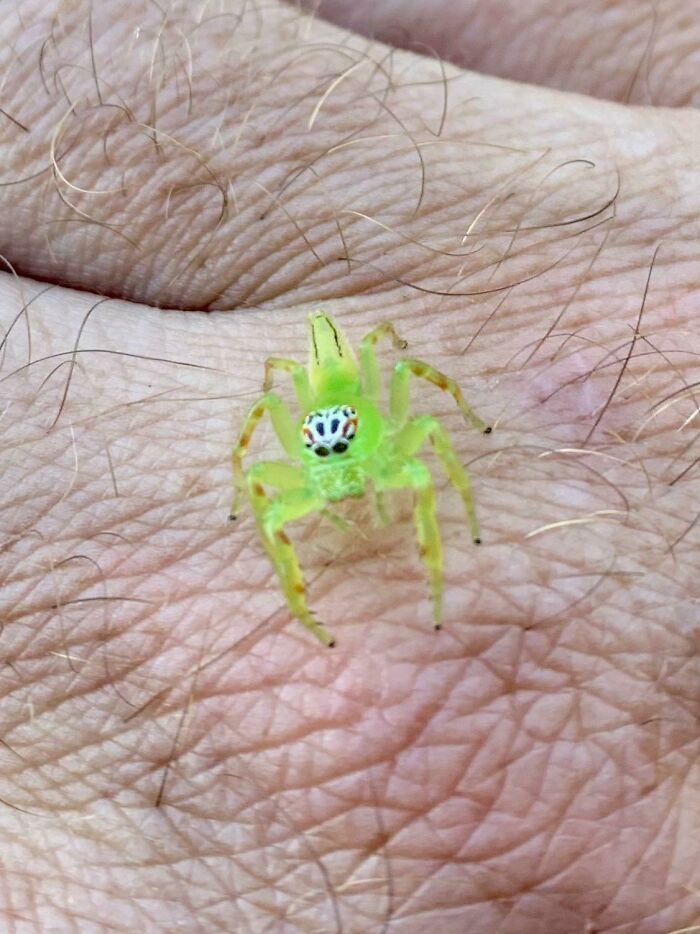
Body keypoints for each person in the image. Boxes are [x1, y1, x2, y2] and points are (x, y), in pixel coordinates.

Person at [0, 1, 697, 930]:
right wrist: (272, 513)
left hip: (369, 409)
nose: (330, 470)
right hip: (318, 419)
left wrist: (470, 516)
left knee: (405, 414)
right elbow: (257, 460)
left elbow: (428, 416)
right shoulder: (294, 440)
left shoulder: (386, 421)